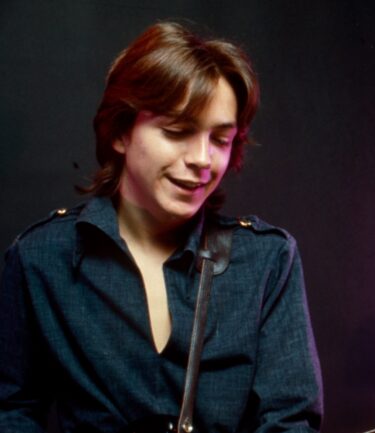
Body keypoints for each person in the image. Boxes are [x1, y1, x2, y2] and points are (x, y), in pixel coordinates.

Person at [0, 22, 322, 432]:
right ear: (120, 131)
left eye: (221, 139)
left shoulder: (268, 260)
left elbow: (290, 421)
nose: (204, 159)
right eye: (178, 131)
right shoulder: (40, 259)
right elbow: (11, 412)